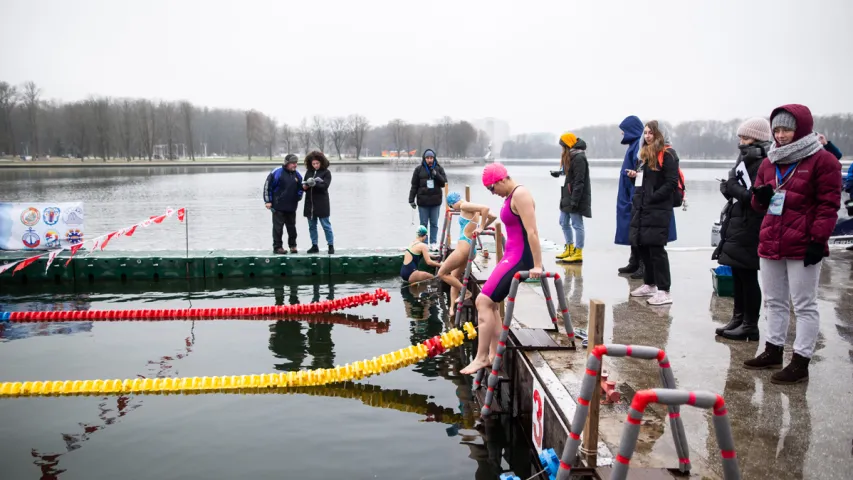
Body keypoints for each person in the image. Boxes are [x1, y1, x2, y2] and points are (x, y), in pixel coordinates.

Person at [744, 104, 841, 384]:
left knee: (804, 304)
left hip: (804, 243)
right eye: (777, 129)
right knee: (774, 301)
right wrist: (759, 198)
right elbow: (757, 206)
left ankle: (801, 360)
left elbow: (828, 205)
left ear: (801, 129)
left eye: (787, 129)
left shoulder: (823, 161)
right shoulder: (769, 161)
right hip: (772, 239)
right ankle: (773, 350)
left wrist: (818, 240)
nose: (781, 135)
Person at [460, 163, 542, 375]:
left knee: (482, 301)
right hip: (511, 255)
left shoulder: (520, 194)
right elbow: (513, 228)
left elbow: (532, 232)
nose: (492, 193)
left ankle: (481, 357)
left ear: (501, 180)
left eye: (491, 188)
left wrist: (538, 265)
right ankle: (494, 354)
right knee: (491, 303)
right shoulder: (510, 196)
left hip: (520, 258)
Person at [712, 117, 772, 341]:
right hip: (737, 220)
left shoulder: (764, 162)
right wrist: (727, 188)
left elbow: (753, 195)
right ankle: (737, 318)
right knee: (736, 272)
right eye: (740, 137)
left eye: (745, 138)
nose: (741, 142)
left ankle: (750, 324)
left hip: (751, 223)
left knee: (747, 275)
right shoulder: (743, 158)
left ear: (758, 138)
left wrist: (733, 188)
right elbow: (735, 187)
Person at [627, 121, 679, 306]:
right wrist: (635, 177)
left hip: (658, 209)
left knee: (657, 250)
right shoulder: (644, 156)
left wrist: (654, 197)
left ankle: (664, 290)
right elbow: (644, 182)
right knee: (643, 247)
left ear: (660, 135)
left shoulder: (668, 155)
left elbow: (671, 182)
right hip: (642, 208)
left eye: (651, 133)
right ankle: (649, 284)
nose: (647, 136)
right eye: (646, 133)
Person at [435, 192, 496, 315]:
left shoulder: (464, 206)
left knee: (442, 273)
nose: (453, 209)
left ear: (453, 203)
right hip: (470, 248)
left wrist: (481, 227)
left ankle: (466, 292)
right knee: (454, 275)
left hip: (463, 247)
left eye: (452, 207)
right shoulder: (470, 207)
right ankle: (452, 308)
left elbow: (486, 208)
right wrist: (481, 227)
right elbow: (493, 216)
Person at [551, 132, 591, 263]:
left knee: (577, 224)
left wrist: (575, 200)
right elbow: (570, 175)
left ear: (567, 146)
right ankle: (569, 247)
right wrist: (559, 174)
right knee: (563, 222)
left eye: (563, 146)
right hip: (566, 196)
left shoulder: (579, 158)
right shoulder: (570, 157)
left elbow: (580, 181)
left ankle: (578, 252)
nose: (562, 149)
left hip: (575, 197)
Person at [615, 116, 645, 274]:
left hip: (635, 193)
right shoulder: (633, 145)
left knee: (637, 230)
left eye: (624, 131)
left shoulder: (639, 146)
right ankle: (633, 262)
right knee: (630, 229)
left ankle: (642, 265)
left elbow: (641, 170)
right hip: (628, 193)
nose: (622, 134)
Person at [264, 154, 303, 254]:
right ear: (287, 163)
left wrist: (298, 197)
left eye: (296, 163)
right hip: (278, 206)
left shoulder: (297, 175)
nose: (295, 165)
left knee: (292, 228)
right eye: (293, 163)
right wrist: (268, 201)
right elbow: (267, 187)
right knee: (278, 228)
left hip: (291, 207)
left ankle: (293, 246)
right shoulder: (276, 172)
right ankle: (277, 247)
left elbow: (301, 188)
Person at [408, 149, 447, 248]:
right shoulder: (418, 170)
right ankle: (424, 244)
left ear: (434, 158)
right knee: (423, 224)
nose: (429, 160)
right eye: (427, 158)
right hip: (423, 202)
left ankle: (433, 243)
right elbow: (414, 186)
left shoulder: (439, 169)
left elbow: (444, 183)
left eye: (431, 158)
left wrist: (436, 174)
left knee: (434, 223)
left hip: (435, 202)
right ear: (424, 159)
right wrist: (411, 199)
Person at [302, 150, 334, 254]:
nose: (315, 165)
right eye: (313, 163)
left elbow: (325, 187)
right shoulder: (309, 172)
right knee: (312, 226)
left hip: (322, 204)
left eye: (317, 163)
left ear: (321, 162)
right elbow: (304, 187)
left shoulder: (326, 173)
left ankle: (330, 246)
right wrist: (305, 186)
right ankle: (314, 245)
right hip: (310, 204)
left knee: (326, 225)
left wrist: (315, 183)